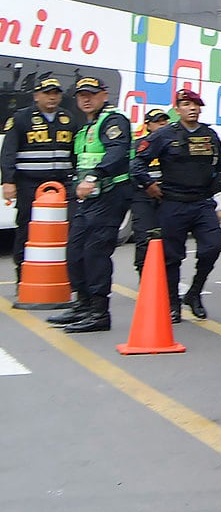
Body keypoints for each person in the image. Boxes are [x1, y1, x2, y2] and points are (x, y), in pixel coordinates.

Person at [134, 90, 221, 321]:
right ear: (177, 109)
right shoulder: (164, 135)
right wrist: (148, 184)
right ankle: (173, 304)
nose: (191, 108)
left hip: (202, 203)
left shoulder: (209, 135)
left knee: (214, 246)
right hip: (173, 203)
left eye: (195, 104)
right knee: (171, 256)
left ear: (200, 109)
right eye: (186, 104)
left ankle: (194, 293)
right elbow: (137, 164)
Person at [50, 76, 132, 334]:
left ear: (104, 95)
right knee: (75, 251)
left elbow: (116, 152)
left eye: (91, 94)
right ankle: (82, 305)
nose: (86, 99)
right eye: (81, 95)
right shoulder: (86, 127)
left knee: (95, 253)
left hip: (109, 196)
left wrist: (95, 175)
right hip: (86, 200)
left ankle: (99, 313)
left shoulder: (113, 121)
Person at [2, 74, 79, 285]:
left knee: (68, 228)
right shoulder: (21, 118)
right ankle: (23, 277)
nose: (52, 98)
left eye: (55, 94)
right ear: (36, 96)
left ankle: (64, 276)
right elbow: (8, 152)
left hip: (62, 185)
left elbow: (75, 153)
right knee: (26, 228)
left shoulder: (69, 119)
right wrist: (8, 181)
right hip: (30, 184)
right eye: (47, 93)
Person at [127, 106, 173, 286]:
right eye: (157, 123)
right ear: (148, 126)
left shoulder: (172, 143)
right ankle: (145, 281)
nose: (162, 126)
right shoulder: (139, 145)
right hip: (143, 197)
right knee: (144, 238)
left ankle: (165, 283)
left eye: (165, 122)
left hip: (167, 197)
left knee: (167, 241)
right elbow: (132, 169)